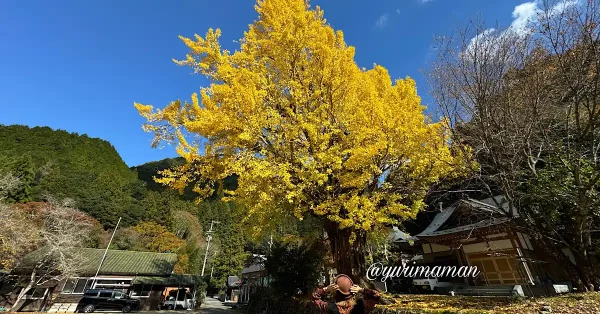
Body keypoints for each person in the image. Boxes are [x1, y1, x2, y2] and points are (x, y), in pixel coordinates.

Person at [312, 274, 380, 314]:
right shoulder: (362, 305)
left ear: (335, 292)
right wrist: (361, 290)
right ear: (352, 291)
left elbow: (314, 297)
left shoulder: (329, 307)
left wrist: (325, 289)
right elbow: (376, 295)